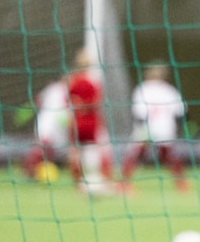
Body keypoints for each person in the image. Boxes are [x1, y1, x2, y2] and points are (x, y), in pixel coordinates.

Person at [120, 62, 189, 193]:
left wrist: (142, 128)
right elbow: (181, 111)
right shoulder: (170, 90)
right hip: (164, 128)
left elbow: (138, 112)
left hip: (146, 127)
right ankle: (181, 184)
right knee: (168, 156)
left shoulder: (143, 89)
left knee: (135, 154)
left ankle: (124, 183)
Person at [67, 48, 113, 193]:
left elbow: (67, 102)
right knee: (101, 150)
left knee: (75, 152)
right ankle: (106, 179)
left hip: (76, 122)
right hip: (91, 122)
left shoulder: (71, 81)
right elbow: (96, 103)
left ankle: (77, 181)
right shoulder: (93, 82)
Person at [23, 75, 71, 180]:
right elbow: (38, 101)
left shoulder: (67, 90)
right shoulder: (53, 89)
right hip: (47, 123)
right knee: (42, 147)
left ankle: (35, 172)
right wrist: (24, 113)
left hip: (60, 127)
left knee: (49, 151)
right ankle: (29, 171)